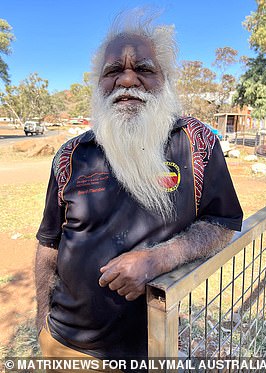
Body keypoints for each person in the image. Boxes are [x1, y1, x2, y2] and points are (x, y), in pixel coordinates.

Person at [35, 11, 243, 370]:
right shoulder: (70, 155)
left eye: (144, 69)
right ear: (98, 82)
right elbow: (48, 245)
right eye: (113, 70)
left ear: (166, 78)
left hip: (151, 350)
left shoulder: (196, 144)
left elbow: (222, 222)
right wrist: (42, 323)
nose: (127, 80)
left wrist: (158, 259)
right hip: (63, 345)